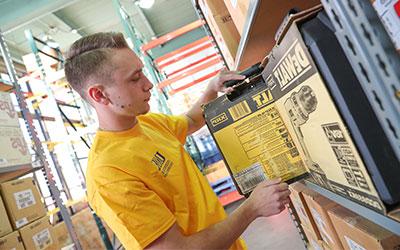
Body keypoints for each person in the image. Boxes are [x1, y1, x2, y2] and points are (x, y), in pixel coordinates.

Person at [64, 32, 291, 250]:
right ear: (99, 95)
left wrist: (212, 88)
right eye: (135, 78)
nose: (148, 84)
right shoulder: (109, 174)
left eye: (142, 72)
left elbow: (191, 120)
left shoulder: (147, 123)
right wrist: (252, 209)